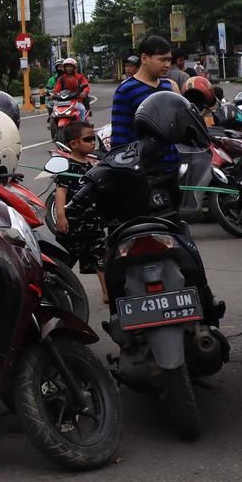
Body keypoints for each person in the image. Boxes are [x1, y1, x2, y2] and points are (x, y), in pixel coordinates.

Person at [52, 120, 104, 295]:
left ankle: (107, 293)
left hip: (92, 221)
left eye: (93, 138)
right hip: (73, 222)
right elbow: (60, 192)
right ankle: (54, 289)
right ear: (73, 144)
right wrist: (61, 216)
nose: (93, 143)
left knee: (100, 257)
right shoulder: (66, 167)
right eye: (88, 139)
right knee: (65, 258)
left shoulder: (91, 166)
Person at [110, 35, 177, 150]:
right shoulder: (126, 90)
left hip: (173, 163)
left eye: (169, 60)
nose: (167, 65)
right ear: (144, 58)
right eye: (162, 59)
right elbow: (119, 138)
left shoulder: (168, 86)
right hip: (144, 164)